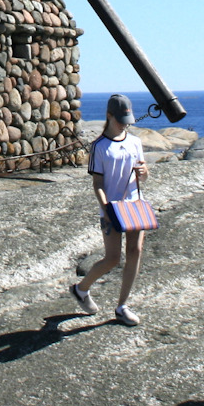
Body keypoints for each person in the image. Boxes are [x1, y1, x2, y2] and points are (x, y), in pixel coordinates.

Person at [71, 93, 150, 326]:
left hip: (134, 203)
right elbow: (97, 183)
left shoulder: (135, 142)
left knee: (135, 251)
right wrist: (105, 208)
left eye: (127, 118)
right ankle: (81, 289)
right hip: (111, 208)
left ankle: (122, 306)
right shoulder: (100, 147)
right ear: (109, 116)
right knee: (113, 258)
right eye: (120, 119)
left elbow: (143, 175)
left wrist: (144, 173)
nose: (124, 123)